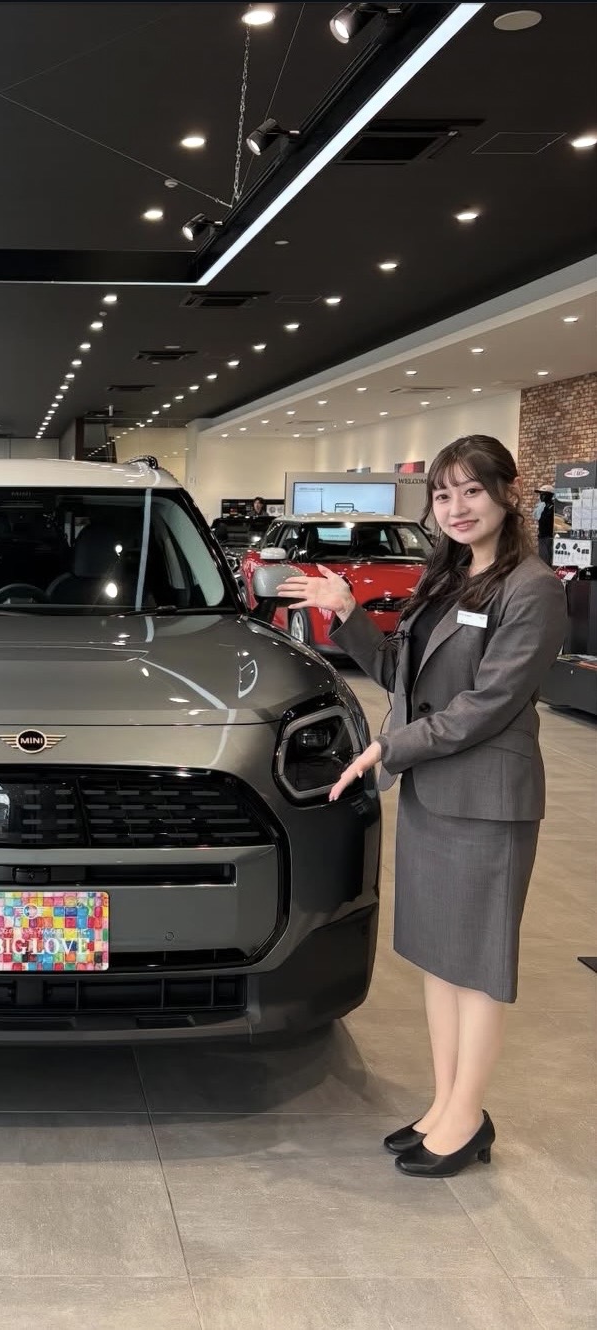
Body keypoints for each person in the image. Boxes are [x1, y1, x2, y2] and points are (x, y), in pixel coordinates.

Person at [277, 435, 566, 1178]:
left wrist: (389, 748)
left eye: (472, 490)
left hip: (488, 801)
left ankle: (467, 1117)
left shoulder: (531, 587)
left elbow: (489, 704)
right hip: (437, 793)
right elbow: (399, 677)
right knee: (440, 959)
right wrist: (347, 613)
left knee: (478, 966)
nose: (457, 508)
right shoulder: (446, 578)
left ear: (507, 492)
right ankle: (445, 1105)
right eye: (443, 495)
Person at [533, 485, 555, 564]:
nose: (541, 496)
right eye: (541, 494)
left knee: (546, 562)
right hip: (542, 536)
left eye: (543, 494)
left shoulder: (552, 508)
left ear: (550, 495)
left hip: (548, 537)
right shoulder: (544, 507)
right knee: (543, 560)